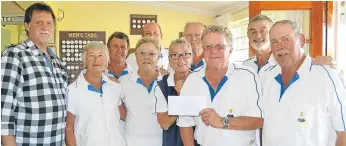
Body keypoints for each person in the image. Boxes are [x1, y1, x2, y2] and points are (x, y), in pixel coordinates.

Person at [260, 20, 346, 146]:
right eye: (274, 42)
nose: (280, 46)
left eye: (286, 39)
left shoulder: (326, 76)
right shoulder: (265, 75)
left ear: (301, 40)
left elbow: (343, 132)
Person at [178, 25, 263, 146]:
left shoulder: (248, 76)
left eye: (220, 46)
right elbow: (184, 123)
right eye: (208, 47)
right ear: (203, 50)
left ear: (230, 50)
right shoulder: (192, 80)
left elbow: (258, 121)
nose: (213, 51)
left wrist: (222, 121)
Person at [1, 3, 68, 145]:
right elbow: (4, 109)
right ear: (27, 25)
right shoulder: (15, 55)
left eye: (49, 23)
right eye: (39, 22)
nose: (45, 27)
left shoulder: (57, 62)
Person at [65, 41, 126, 146]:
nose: (96, 60)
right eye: (91, 56)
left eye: (100, 55)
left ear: (106, 60)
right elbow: (69, 129)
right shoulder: (73, 90)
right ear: (84, 60)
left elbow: (124, 115)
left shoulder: (115, 87)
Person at [243, 14, 336, 73]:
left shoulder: (290, 61)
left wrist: (319, 65)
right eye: (253, 32)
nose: (258, 35)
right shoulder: (245, 66)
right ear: (248, 36)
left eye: (263, 30)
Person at [120, 37, 167, 146]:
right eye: (142, 53)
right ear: (135, 56)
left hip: (161, 142)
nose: (146, 57)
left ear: (158, 57)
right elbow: (119, 111)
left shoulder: (166, 82)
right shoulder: (124, 81)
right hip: (131, 142)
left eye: (152, 54)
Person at [156, 38, 200, 146]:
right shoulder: (161, 85)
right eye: (174, 55)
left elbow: (204, 115)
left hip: (199, 141)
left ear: (192, 58)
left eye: (185, 54)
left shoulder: (201, 81)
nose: (180, 59)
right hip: (172, 141)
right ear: (169, 61)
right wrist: (181, 99)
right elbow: (165, 123)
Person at [106, 32, 133, 136]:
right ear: (108, 49)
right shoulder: (100, 75)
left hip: (129, 134)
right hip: (106, 134)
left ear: (127, 51)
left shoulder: (135, 75)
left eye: (123, 47)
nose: (119, 50)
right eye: (115, 46)